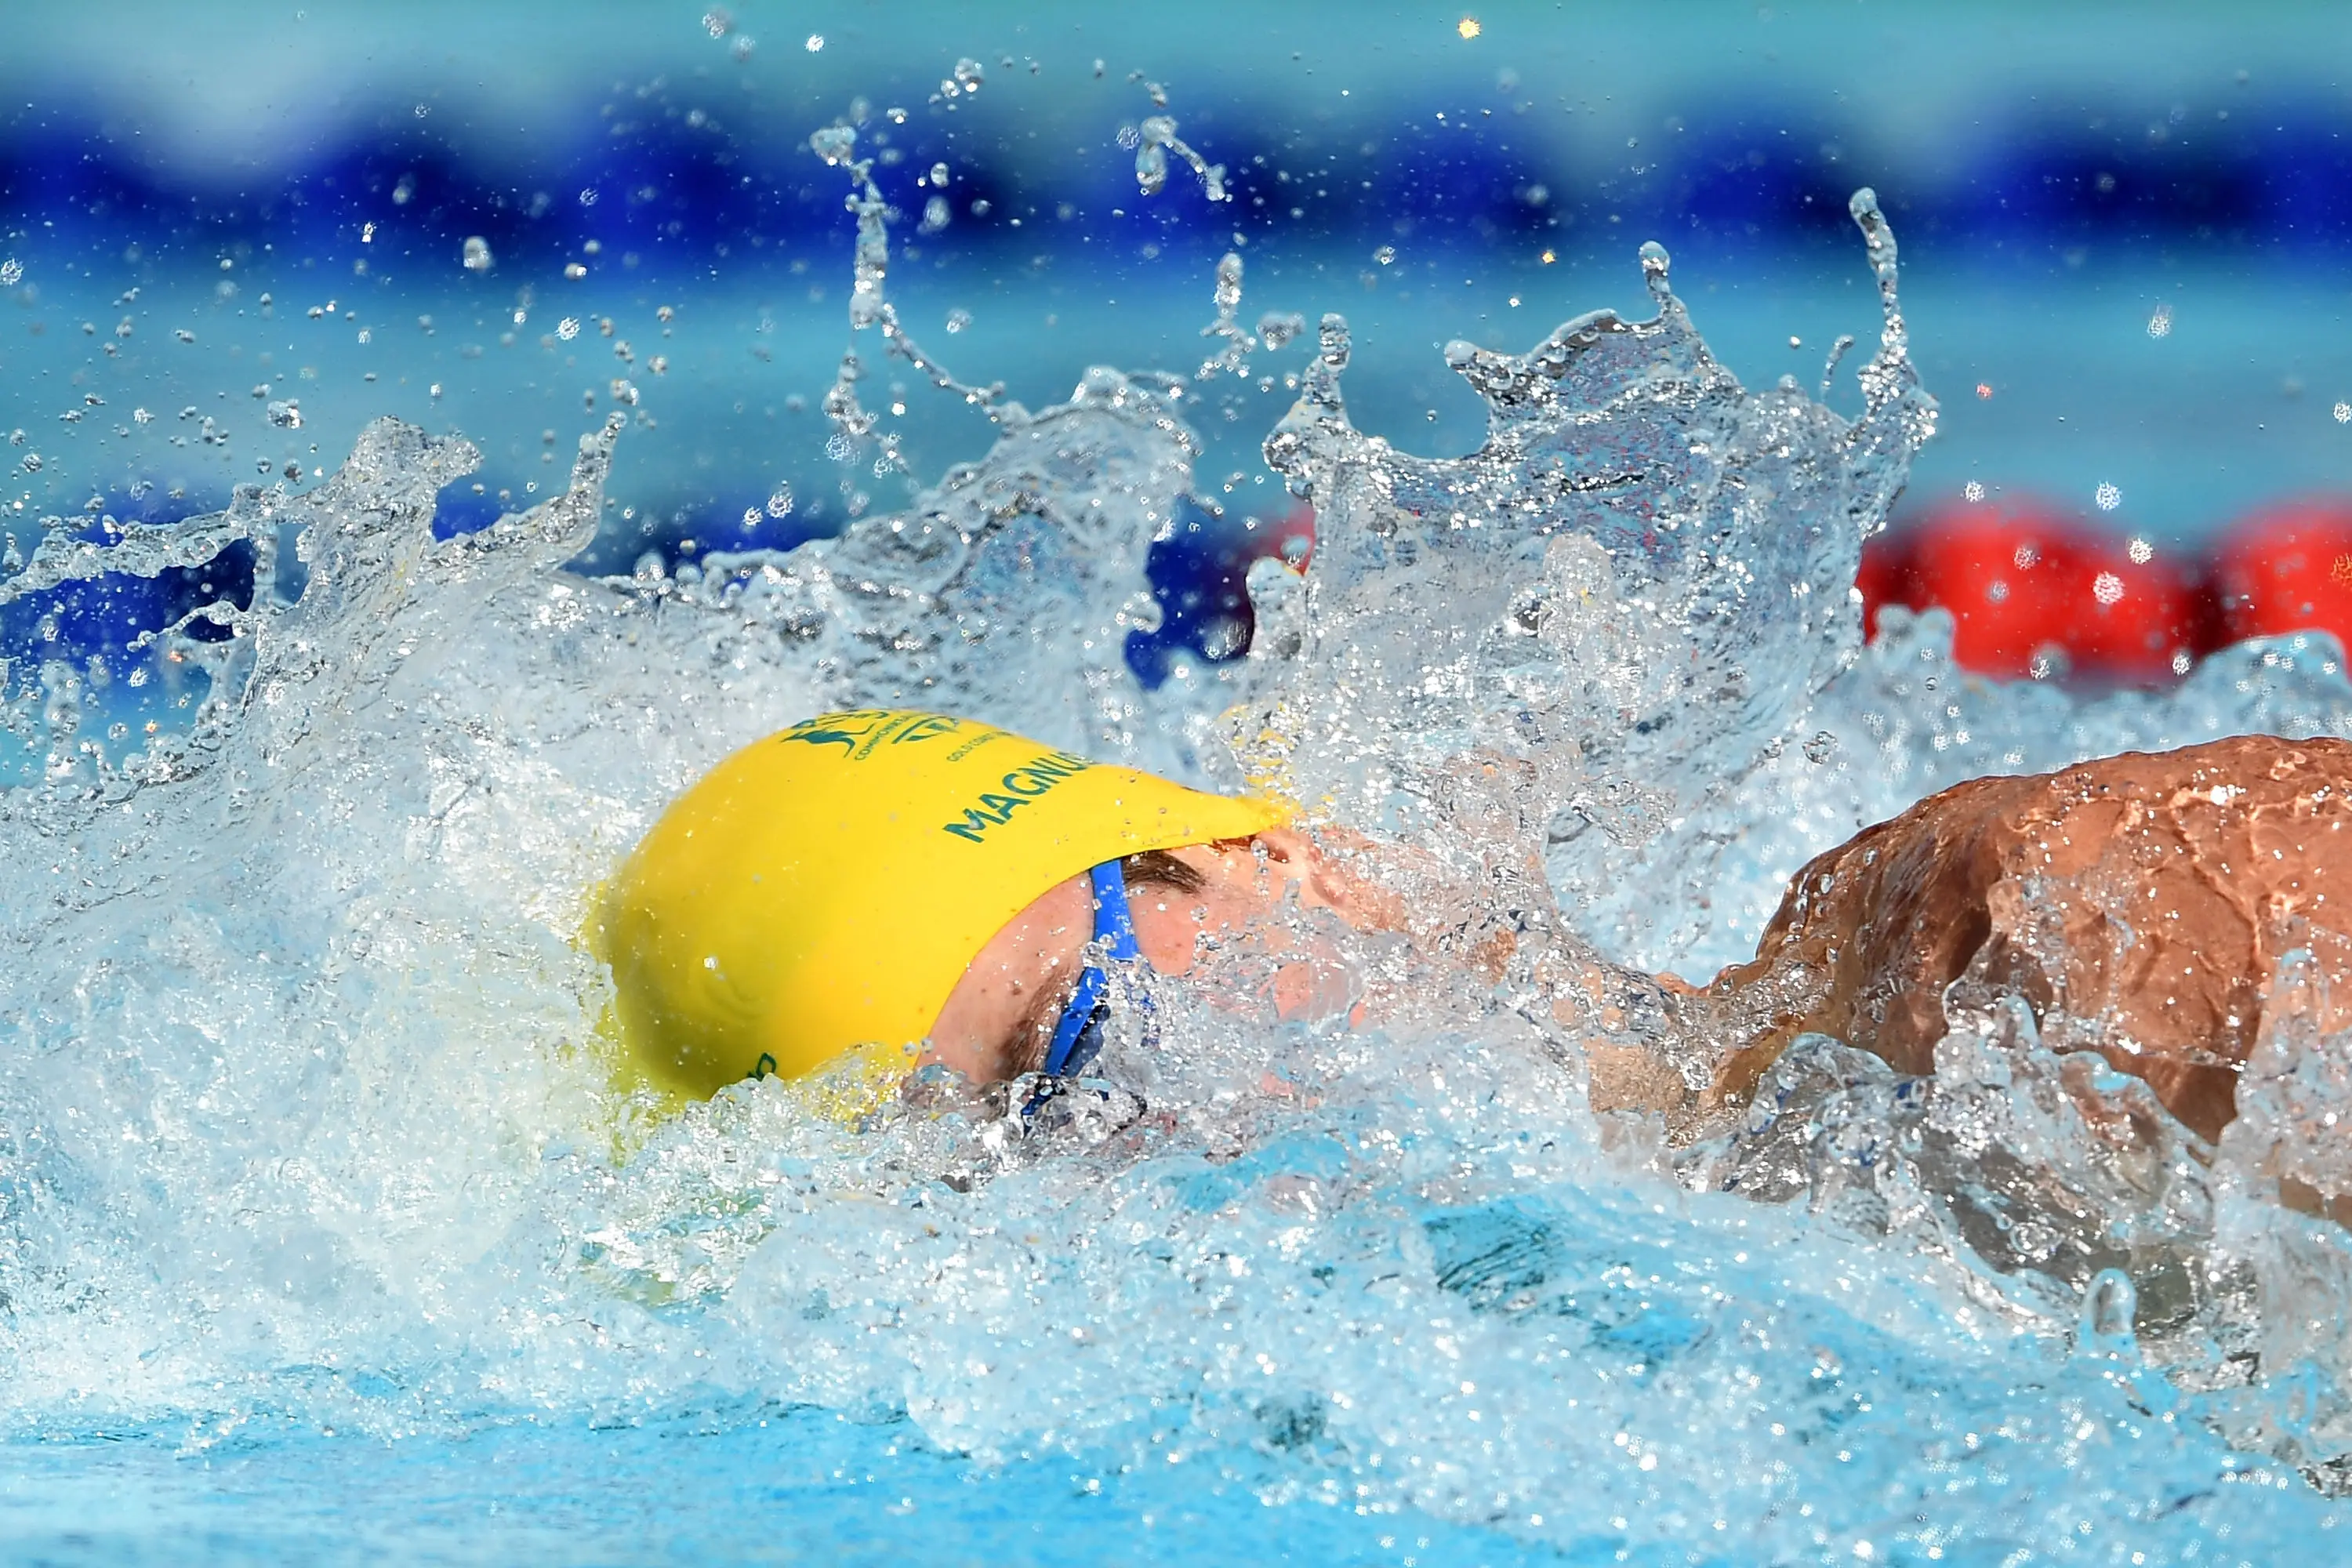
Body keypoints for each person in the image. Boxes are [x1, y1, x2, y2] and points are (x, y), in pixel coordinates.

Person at [593, 708, 2352, 1149]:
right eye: (997, 1175)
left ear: (1272, 859)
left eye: (1081, 1048)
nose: (1114, 1163)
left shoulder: (2014, 929)